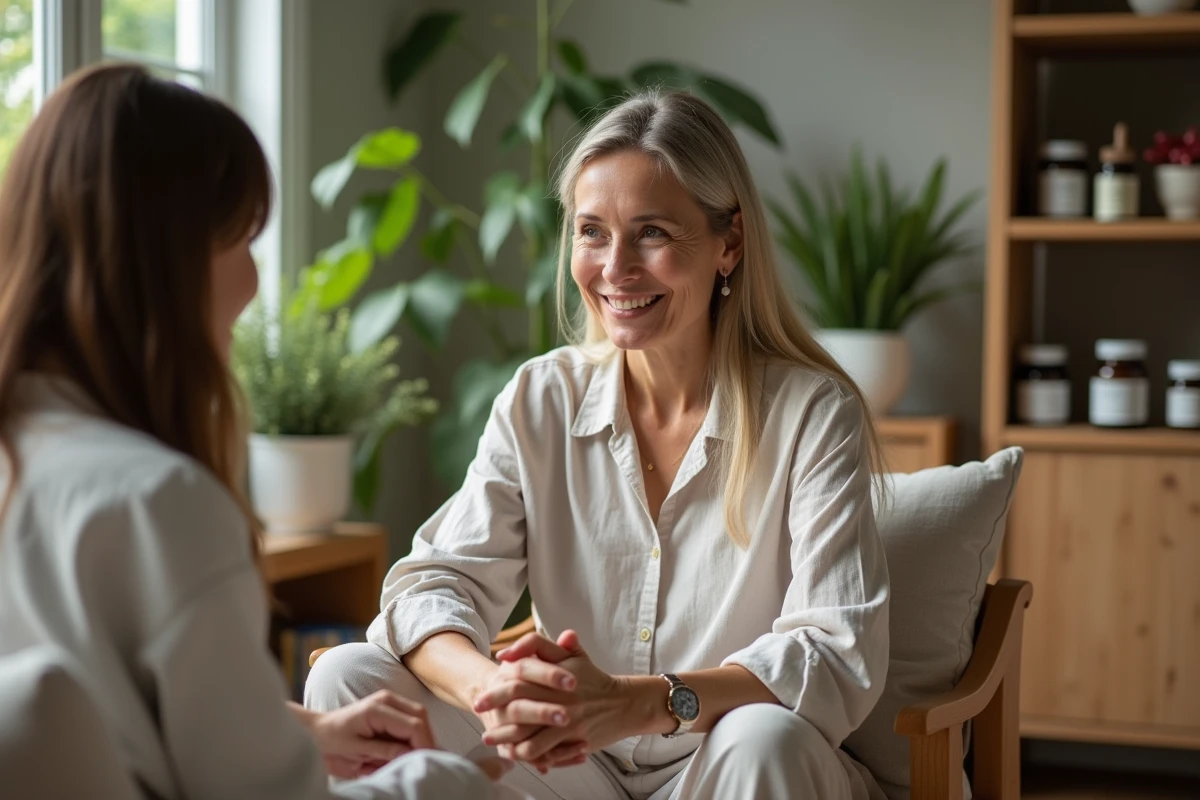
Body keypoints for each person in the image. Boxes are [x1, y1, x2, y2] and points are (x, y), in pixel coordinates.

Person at [307, 90, 892, 800]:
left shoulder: (812, 414)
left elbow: (837, 655)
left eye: (651, 233)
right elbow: (431, 585)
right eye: (591, 232)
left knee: (764, 736)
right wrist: (497, 691)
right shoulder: (540, 398)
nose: (615, 268)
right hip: (573, 766)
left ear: (729, 242)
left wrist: (638, 701)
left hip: (725, 762)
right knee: (345, 677)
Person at [0, 63, 517, 799]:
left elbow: (105, 708)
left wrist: (302, 734)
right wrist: (448, 782)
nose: (251, 278)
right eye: (242, 238)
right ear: (168, 259)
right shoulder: (161, 504)